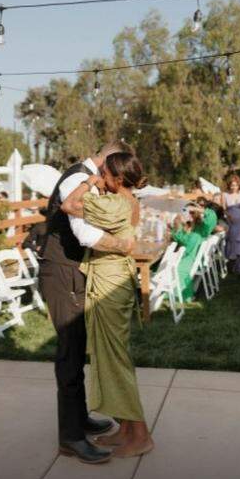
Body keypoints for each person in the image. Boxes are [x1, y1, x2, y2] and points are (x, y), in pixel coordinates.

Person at [38, 141, 137, 465]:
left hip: (73, 271)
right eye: (116, 168)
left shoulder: (88, 179)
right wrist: (122, 245)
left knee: (78, 347)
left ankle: (80, 419)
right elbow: (85, 235)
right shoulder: (78, 180)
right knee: (69, 351)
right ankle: (71, 438)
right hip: (63, 272)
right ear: (108, 161)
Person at [60, 151, 154, 458]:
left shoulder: (116, 204)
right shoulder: (127, 201)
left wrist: (88, 182)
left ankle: (140, 435)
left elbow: (68, 205)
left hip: (110, 283)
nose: (101, 176)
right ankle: (125, 430)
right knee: (112, 356)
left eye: (105, 173)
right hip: (115, 278)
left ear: (117, 178)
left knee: (116, 359)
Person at [170, 202, 217, 302]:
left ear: (197, 213)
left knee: (165, 264)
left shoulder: (202, 228)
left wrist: (197, 209)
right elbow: (180, 238)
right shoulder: (188, 226)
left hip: (189, 261)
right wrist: (177, 226)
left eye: (191, 212)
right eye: (185, 211)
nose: (188, 214)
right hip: (186, 257)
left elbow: (212, 216)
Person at [219, 174, 240, 275]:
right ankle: (233, 265)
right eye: (232, 185)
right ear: (229, 185)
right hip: (232, 222)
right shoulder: (225, 195)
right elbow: (224, 209)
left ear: (239, 185)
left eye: (236, 185)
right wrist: (228, 216)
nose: (234, 187)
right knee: (233, 242)